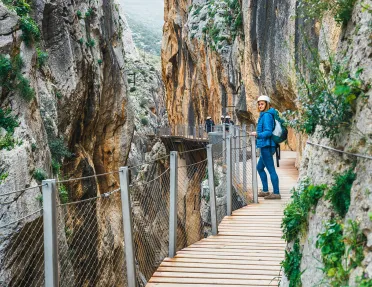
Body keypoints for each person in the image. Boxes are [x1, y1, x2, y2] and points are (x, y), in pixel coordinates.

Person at [250, 95, 281, 199]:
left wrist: (257, 134)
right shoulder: (264, 115)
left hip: (267, 146)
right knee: (259, 167)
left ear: (267, 104)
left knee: (271, 170)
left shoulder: (267, 115)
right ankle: (265, 190)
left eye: (262, 104)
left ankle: (276, 193)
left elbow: (268, 131)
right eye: (259, 104)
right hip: (265, 145)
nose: (260, 106)